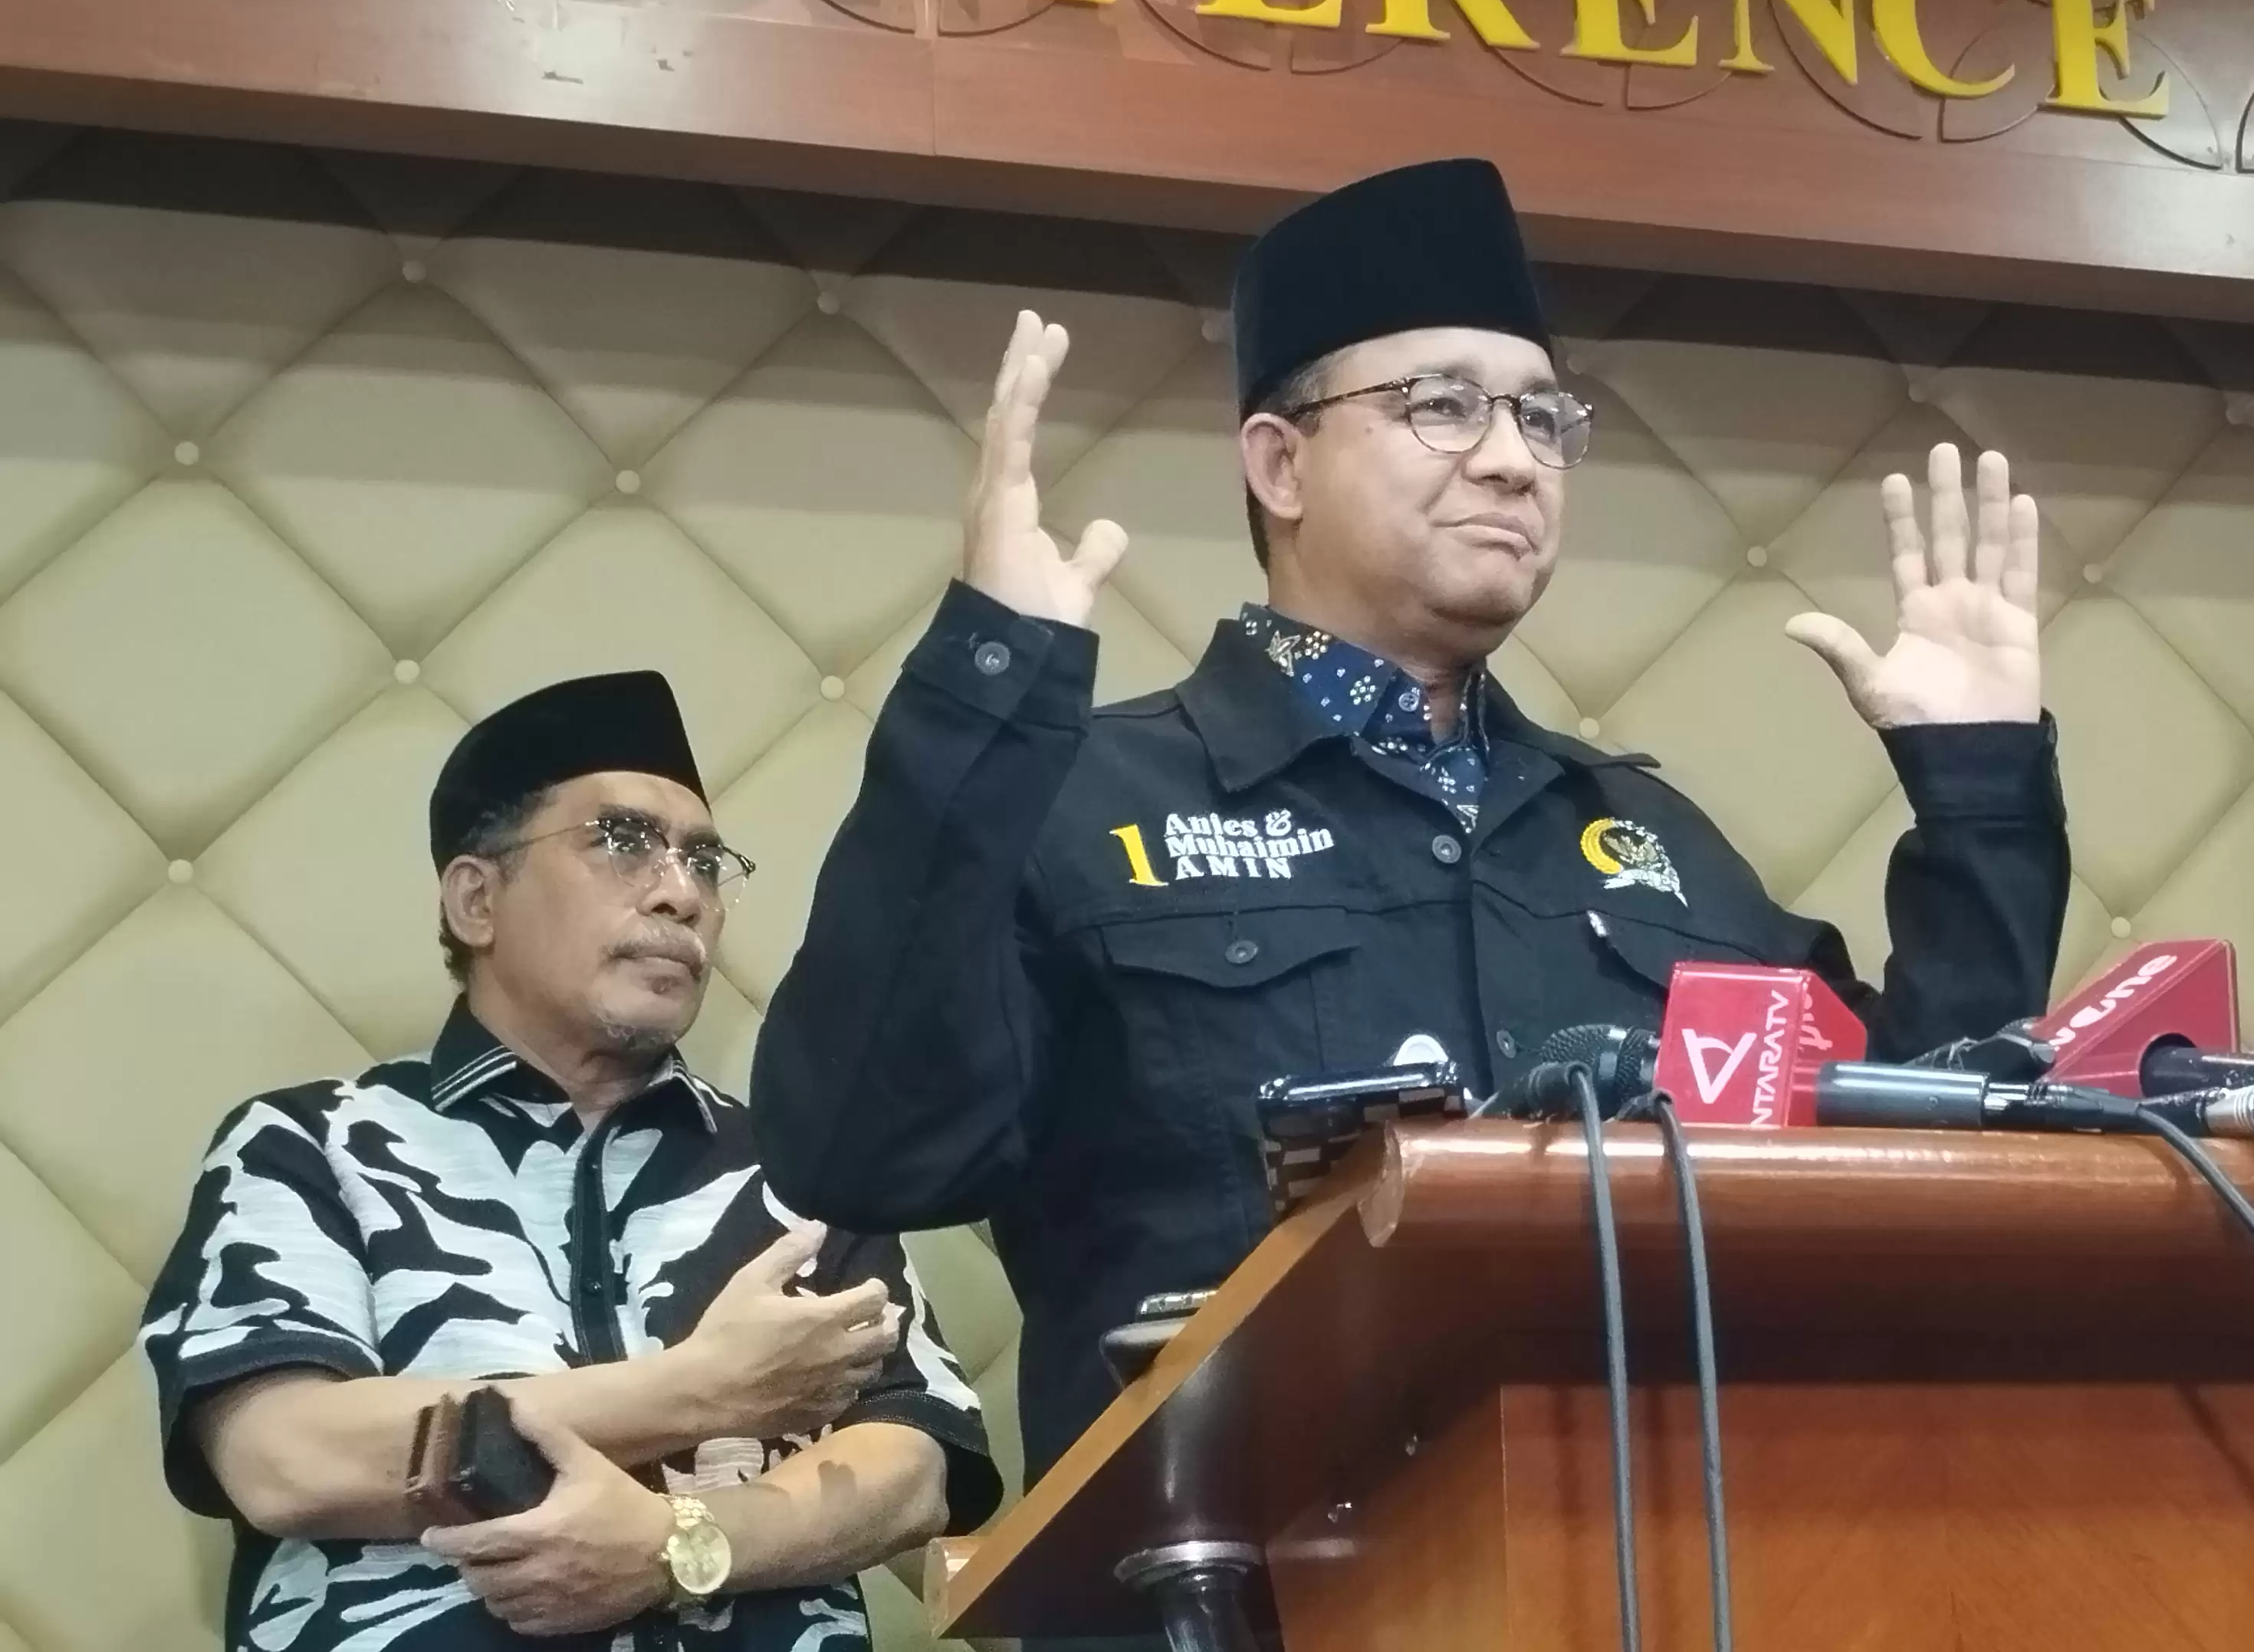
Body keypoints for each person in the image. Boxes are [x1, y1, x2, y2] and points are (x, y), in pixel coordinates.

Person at [751, 157, 2069, 1488]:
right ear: (1281, 463)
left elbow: (1914, 1170)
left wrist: (1981, 788)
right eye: (1441, 405)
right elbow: (862, 1150)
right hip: (1236, 1565)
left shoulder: (1644, 834)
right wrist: (989, 684)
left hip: (1657, 1544)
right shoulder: (1080, 799)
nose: (1511, 459)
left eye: (1543, 418)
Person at [140, 671, 1002, 1652]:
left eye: (705, 861)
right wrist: (700, 1390)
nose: (682, 893)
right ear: (477, 899)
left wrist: (683, 1544)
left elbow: (915, 1468)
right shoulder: (312, 1145)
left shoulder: (798, 1167)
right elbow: (284, 1459)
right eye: (622, 841)